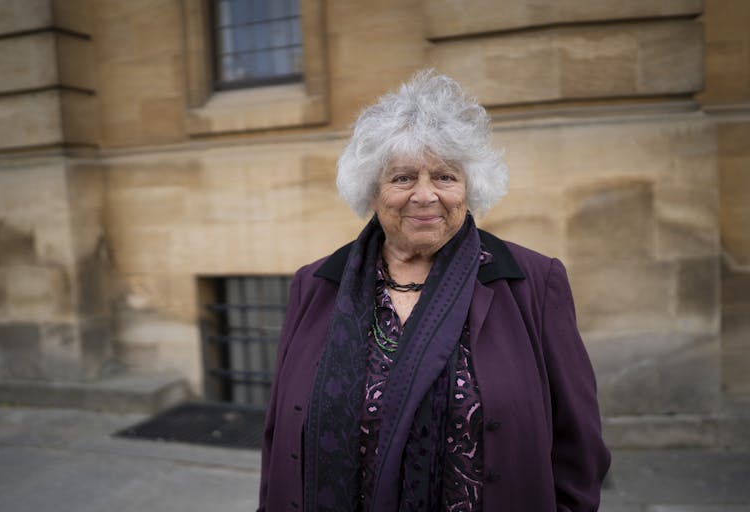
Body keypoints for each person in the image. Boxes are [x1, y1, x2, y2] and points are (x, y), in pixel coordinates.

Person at [258, 70, 610, 512]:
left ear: (470, 187)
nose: (425, 196)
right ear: (372, 191)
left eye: (444, 177)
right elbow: (278, 439)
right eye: (403, 178)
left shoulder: (533, 282)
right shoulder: (316, 285)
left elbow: (579, 443)